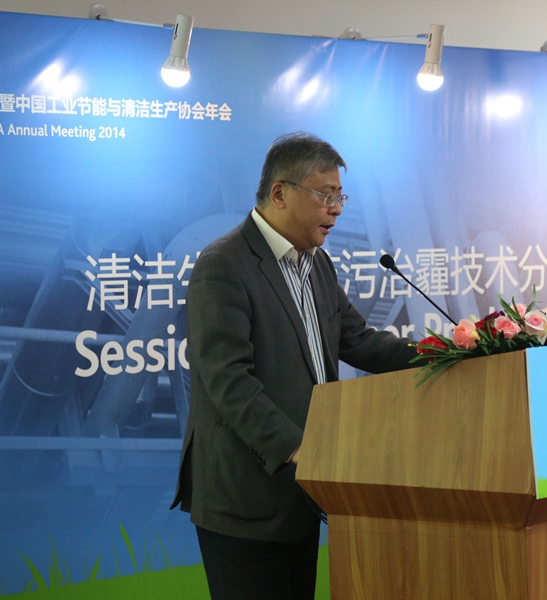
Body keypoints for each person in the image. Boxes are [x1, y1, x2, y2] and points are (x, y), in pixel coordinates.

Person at [171, 132, 418, 600]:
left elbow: (360, 342)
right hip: (245, 498)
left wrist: (447, 353)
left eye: (340, 196)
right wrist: (302, 449)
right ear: (280, 193)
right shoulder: (223, 264)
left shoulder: (317, 265)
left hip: (301, 494)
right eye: (326, 195)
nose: (337, 209)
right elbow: (229, 381)